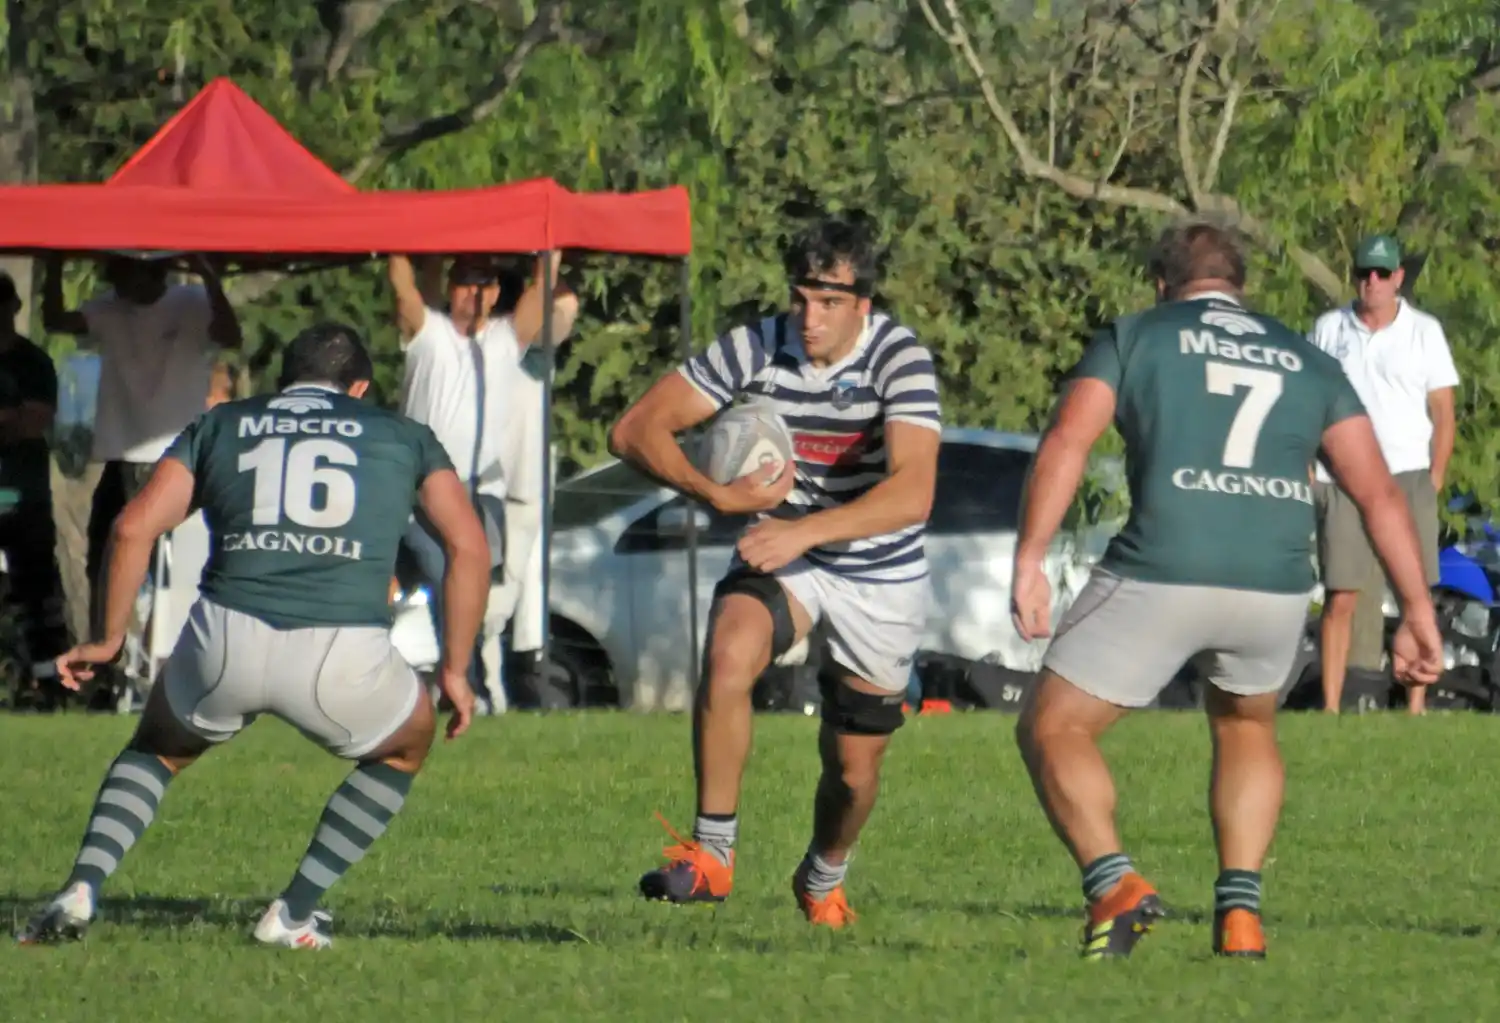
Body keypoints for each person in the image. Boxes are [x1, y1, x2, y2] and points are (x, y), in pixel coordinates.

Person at [1008, 219, 1444, 961]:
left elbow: (1067, 441)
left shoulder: (1138, 333)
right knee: (1246, 726)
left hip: (1165, 563)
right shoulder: (1307, 357)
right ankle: (1241, 916)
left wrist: (1030, 557)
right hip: (1273, 580)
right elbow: (1378, 495)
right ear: (1241, 286)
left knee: (1053, 726)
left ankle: (1114, 881)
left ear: (1161, 284)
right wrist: (1419, 611)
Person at [15, 323, 490, 950]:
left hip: (225, 638)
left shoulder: (224, 422)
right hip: (339, 649)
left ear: (283, 381)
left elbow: (132, 529)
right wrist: (455, 668)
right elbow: (468, 547)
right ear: (359, 386)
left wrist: (107, 640)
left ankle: (80, 889)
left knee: (155, 750)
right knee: (406, 744)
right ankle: (293, 913)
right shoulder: (403, 434)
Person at [609, 214, 942, 927]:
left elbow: (914, 493)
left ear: (864, 305)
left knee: (853, 772)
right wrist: (719, 495)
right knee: (729, 650)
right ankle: (712, 856)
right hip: (784, 557)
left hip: (879, 572)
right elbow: (635, 428)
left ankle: (823, 874)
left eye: (829, 303)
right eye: (802, 298)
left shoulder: (900, 358)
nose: (809, 317)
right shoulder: (756, 345)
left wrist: (806, 531)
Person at [41, 253, 241, 698]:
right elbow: (57, 320)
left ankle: (167, 657)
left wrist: (210, 274)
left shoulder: (190, 301)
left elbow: (230, 335)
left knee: (162, 563)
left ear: (153, 271)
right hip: (121, 450)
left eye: (124, 274)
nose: (120, 286)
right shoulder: (109, 307)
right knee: (104, 560)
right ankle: (110, 664)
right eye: (115, 276)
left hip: (177, 451)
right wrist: (52, 265)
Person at [387, 251, 577, 711]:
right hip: (421, 488)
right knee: (440, 574)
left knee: (468, 587)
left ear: (496, 292)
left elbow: (541, 291)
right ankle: (463, 680)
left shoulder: (505, 339)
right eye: (466, 283)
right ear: (451, 288)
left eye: (485, 285)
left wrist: (549, 252)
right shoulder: (427, 335)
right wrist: (399, 244)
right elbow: (403, 288)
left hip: (479, 488)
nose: (475, 295)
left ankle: (466, 682)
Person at [1308, 233, 1459, 715]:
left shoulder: (1424, 331)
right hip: (1344, 479)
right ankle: (1332, 708)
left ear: (1397, 278)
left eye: (1380, 273)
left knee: (1415, 593)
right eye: (1362, 272)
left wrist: (1434, 476)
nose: (1370, 282)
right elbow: (1308, 399)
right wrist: (1309, 469)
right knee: (1342, 594)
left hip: (1407, 475)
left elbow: (1444, 411)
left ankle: (1416, 706)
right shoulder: (1330, 328)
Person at [0, 272, 72, 706]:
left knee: (39, 596)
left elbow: (33, 422)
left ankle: (49, 683)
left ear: (14, 306)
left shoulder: (33, 362)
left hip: (25, 496)